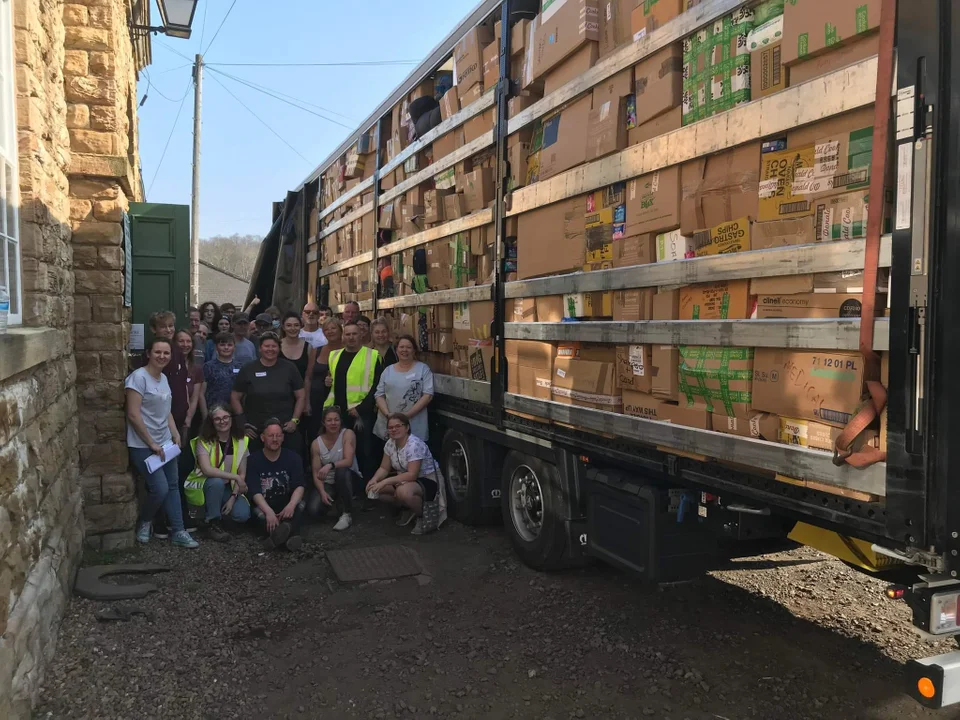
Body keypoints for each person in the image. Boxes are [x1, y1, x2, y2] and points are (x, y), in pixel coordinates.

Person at [125, 337, 199, 549]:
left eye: (166, 353)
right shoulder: (138, 378)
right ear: (149, 353)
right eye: (158, 352)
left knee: (174, 486)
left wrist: (174, 433)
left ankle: (178, 531)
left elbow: (165, 412)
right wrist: (151, 443)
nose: (162, 356)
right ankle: (145, 521)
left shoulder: (163, 379)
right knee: (160, 488)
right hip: (143, 445)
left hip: (165, 443)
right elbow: (133, 414)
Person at [366, 413, 447, 535]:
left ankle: (422, 516)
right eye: (391, 427)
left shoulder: (414, 444)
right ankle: (407, 507)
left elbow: (412, 475)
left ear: (407, 427)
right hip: (404, 478)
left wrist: (385, 481)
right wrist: (374, 479)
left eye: (398, 426)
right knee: (372, 489)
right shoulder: (389, 444)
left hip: (427, 478)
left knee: (403, 492)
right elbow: (384, 468)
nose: (394, 429)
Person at [324, 322, 383, 480]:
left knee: (365, 453)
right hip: (339, 413)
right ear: (343, 336)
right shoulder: (334, 355)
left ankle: (367, 489)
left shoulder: (372, 356)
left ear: (361, 335)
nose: (351, 337)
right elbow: (333, 382)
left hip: (361, 414)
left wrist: (362, 408)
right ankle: (346, 488)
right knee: (341, 453)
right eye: (348, 334)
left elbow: (377, 386)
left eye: (354, 334)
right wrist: (327, 382)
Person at [184, 405, 251, 541]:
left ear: (232, 419)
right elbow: (207, 470)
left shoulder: (241, 441)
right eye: (217, 419)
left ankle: (220, 515)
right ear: (211, 422)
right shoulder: (204, 441)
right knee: (216, 482)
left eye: (226, 417)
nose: (222, 421)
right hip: (205, 484)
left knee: (242, 514)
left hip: (229, 487)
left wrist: (233, 497)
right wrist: (236, 477)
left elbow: (242, 473)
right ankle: (212, 523)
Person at [231, 332, 305, 453]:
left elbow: (301, 396)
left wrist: (294, 420)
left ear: (279, 348)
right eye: (266, 346)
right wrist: (242, 422)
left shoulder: (289, 368)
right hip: (255, 430)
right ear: (260, 348)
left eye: (274, 346)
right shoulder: (248, 369)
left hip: (285, 429)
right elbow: (235, 397)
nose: (270, 349)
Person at [247, 419, 305, 551]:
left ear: (283, 438)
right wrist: (268, 512)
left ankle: (276, 538)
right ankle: (289, 538)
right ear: (262, 438)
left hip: (286, 505)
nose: (275, 439)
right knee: (261, 517)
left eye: (278, 435)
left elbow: (299, 486)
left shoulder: (294, 458)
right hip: (264, 505)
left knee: (300, 506)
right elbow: (255, 491)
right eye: (271, 435)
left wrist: (291, 505)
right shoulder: (252, 460)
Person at [308, 407, 360, 531]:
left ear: (340, 421)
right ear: (323, 423)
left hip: (348, 476)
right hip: (328, 482)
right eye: (329, 420)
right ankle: (335, 502)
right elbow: (316, 472)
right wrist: (322, 491)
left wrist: (330, 465)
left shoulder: (347, 434)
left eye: (336, 420)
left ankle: (347, 513)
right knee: (313, 510)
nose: (333, 423)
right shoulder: (316, 444)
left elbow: (348, 460)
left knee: (341, 472)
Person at [375, 335, 434, 442]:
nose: (404, 350)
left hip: (414, 425)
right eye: (401, 347)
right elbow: (379, 395)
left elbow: (428, 395)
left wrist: (407, 415)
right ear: (396, 350)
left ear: (414, 350)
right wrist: (388, 415)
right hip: (389, 424)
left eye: (408, 347)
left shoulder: (423, 369)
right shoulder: (388, 371)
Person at [202, 331, 242, 417]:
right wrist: (205, 415)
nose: (226, 348)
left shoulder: (240, 367)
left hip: (234, 412)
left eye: (229, 345)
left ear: (234, 347)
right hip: (213, 412)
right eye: (222, 345)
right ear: (216, 347)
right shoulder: (208, 366)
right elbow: (201, 393)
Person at [175, 330, 204, 437]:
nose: (185, 345)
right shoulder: (168, 365)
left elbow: (194, 398)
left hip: (185, 419)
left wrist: (188, 419)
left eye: (188, 341)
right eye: (181, 341)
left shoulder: (196, 369)